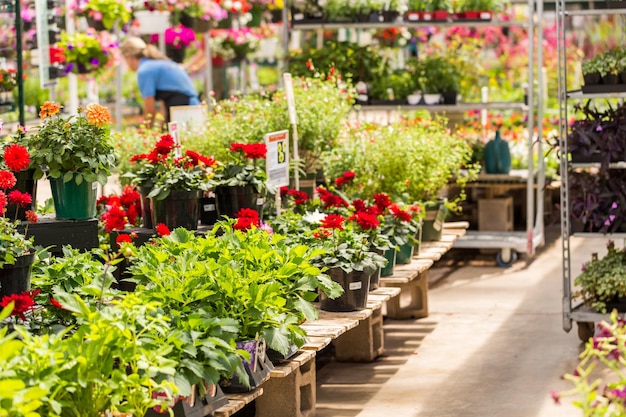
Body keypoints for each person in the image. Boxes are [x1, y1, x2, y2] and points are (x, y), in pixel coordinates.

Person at [120, 36, 201, 126]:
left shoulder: (144, 71)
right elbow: (164, 107)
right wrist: (160, 128)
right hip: (192, 106)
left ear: (129, 57)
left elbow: (150, 111)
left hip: (183, 109)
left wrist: (146, 134)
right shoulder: (156, 63)